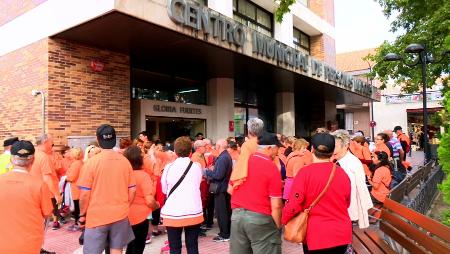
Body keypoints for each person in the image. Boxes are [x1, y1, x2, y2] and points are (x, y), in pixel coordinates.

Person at [282, 133, 352, 253]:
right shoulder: (342, 173)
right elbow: (347, 202)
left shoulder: (305, 173)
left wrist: (284, 220)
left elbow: (294, 203)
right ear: (332, 151)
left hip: (315, 234)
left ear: (312, 149)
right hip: (341, 232)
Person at [77, 124, 136, 254]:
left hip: (97, 216)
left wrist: (82, 214)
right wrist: (125, 205)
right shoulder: (125, 162)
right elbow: (132, 190)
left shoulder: (91, 163)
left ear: (98, 141)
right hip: (120, 214)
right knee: (117, 250)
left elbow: (84, 195)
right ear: (114, 139)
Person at [230, 132, 284, 254]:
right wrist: (277, 228)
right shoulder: (271, 167)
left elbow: (230, 189)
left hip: (237, 216)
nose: (278, 151)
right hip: (260, 217)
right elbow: (276, 205)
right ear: (269, 148)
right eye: (277, 148)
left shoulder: (243, 162)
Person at [0, 140, 53, 254]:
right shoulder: (40, 184)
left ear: (11, 159)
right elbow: (47, 213)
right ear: (33, 160)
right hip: (29, 244)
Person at [161, 136, 203, 254]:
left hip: (173, 212)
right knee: (192, 245)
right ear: (191, 151)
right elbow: (198, 183)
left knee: (174, 247)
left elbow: (164, 189)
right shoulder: (197, 167)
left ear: (175, 151)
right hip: (193, 210)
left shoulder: (168, 168)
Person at [332, 130, 373, 229]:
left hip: (346, 208)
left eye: (335, 146)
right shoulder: (336, 159)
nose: (332, 149)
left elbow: (360, 189)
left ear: (346, 146)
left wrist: (362, 217)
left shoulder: (352, 162)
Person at [123, 146, 159, 254]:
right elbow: (149, 201)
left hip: (125, 215)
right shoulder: (143, 176)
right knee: (138, 247)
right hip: (140, 217)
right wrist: (156, 206)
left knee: (130, 245)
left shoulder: (123, 175)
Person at [30, 134, 62, 230]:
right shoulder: (44, 157)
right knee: (42, 225)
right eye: (51, 141)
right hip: (46, 194)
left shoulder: (32, 154)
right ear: (45, 142)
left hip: (34, 192)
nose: (52, 143)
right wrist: (57, 195)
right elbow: (47, 178)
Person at [204, 139, 233, 242]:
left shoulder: (222, 158)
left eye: (216, 146)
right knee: (225, 212)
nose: (215, 147)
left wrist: (207, 172)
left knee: (222, 213)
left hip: (220, 189)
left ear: (219, 146)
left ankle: (224, 234)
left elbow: (218, 175)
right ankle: (226, 232)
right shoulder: (225, 156)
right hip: (224, 188)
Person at [228, 118, 264, 194]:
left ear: (248, 130)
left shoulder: (247, 145)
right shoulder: (266, 143)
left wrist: (232, 184)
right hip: (264, 181)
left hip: (251, 183)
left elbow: (242, 165)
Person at [65, 147, 83, 231]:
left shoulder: (76, 164)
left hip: (76, 189)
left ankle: (77, 224)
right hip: (78, 189)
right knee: (78, 208)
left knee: (77, 208)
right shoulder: (79, 163)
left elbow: (71, 177)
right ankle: (78, 223)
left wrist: (66, 177)